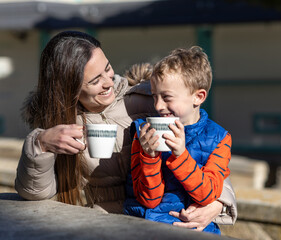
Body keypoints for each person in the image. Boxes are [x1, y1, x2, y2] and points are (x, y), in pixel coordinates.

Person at [15, 31, 237, 230]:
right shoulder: (60, 125)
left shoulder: (148, 98)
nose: (108, 82)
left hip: (167, 218)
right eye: (95, 80)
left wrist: (218, 204)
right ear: (70, 88)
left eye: (108, 68)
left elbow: (205, 149)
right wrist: (40, 144)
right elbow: (35, 193)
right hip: (107, 223)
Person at [124, 46, 232, 234]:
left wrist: (181, 155)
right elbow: (148, 200)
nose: (158, 106)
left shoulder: (219, 139)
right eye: (154, 96)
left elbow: (207, 195)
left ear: (198, 97)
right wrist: (149, 156)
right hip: (146, 227)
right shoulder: (142, 132)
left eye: (167, 97)